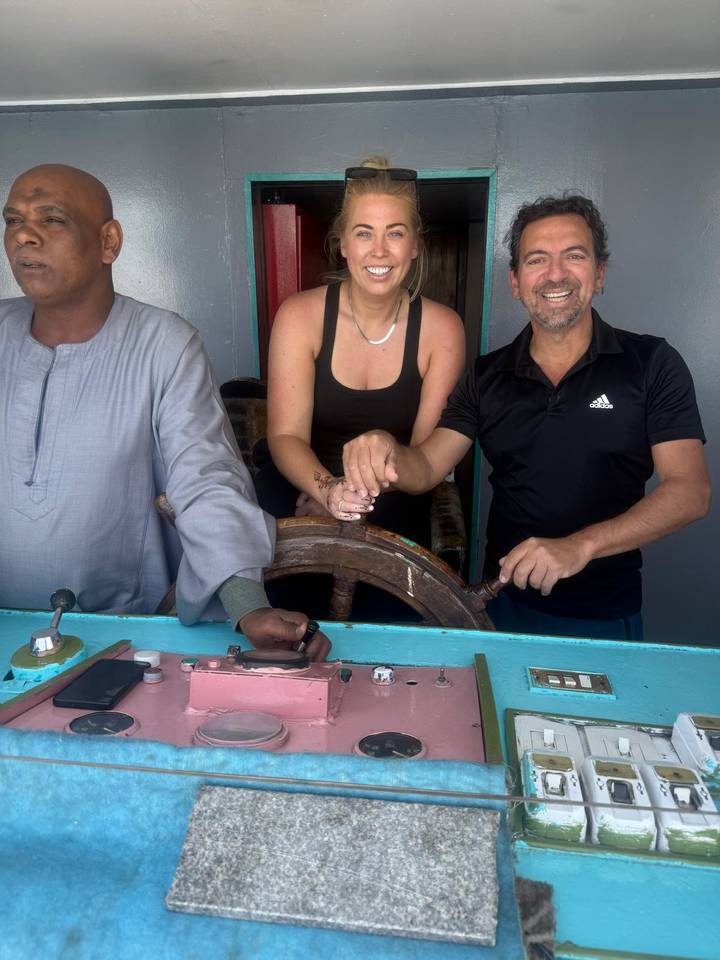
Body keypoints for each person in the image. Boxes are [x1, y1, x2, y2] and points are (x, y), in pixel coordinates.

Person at [342, 195, 710, 640]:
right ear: (516, 282)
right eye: (537, 260)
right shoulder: (486, 375)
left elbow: (690, 491)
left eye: (574, 255)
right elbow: (426, 468)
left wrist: (580, 546)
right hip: (505, 609)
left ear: (599, 273)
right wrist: (385, 447)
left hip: (608, 614)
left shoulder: (651, 363)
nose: (555, 274)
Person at [0, 163, 329, 660]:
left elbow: (205, 477)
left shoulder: (164, 345)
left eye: (51, 219)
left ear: (109, 242)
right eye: (12, 220)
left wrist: (246, 605)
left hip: (118, 634)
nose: (24, 235)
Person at [255, 157, 465, 549]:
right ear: (344, 244)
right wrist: (328, 492)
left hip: (393, 500)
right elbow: (285, 436)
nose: (380, 251)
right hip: (301, 489)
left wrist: (352, 503)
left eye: (396, 234)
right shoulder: (300, 315)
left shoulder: (443, 328)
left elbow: (423, 459)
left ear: (416, 246)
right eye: (364, 234)